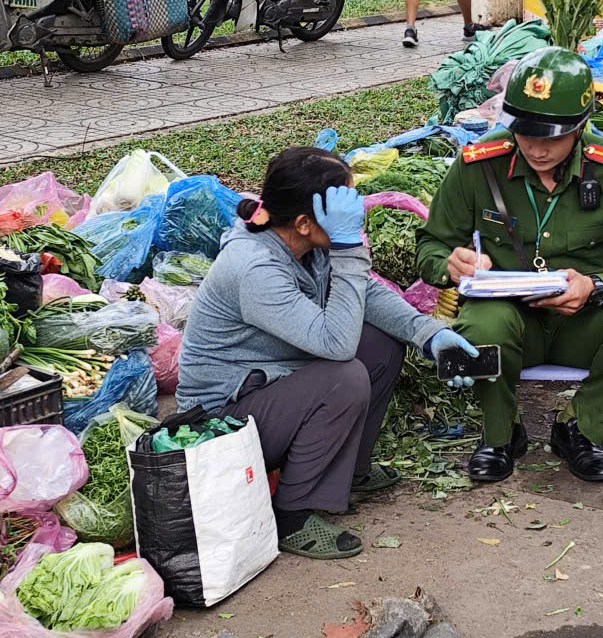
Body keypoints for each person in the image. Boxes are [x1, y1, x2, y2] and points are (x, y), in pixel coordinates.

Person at [176, 147, 476, 559]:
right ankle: (292, 516)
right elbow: (336, 344)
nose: (354, 218)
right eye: (343, 209)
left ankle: (351, 471)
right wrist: (349, 246)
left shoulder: (303, 244)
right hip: (221, 420)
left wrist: (427, 333)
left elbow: (364, 291)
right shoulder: (255, 267)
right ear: (303, 222)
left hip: (273, 382)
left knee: (381, 345)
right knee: (345, 375)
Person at [417, 47, 603, 483]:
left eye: (553, 137)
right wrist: (452, 264)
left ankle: (581, 427)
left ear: (580, 127)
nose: (537, 149)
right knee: (479, 329)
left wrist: (595, 285)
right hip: (505, 317)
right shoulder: (478, 165)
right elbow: (430, 246)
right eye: (526, 133)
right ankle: (500, 435)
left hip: (585, 321)